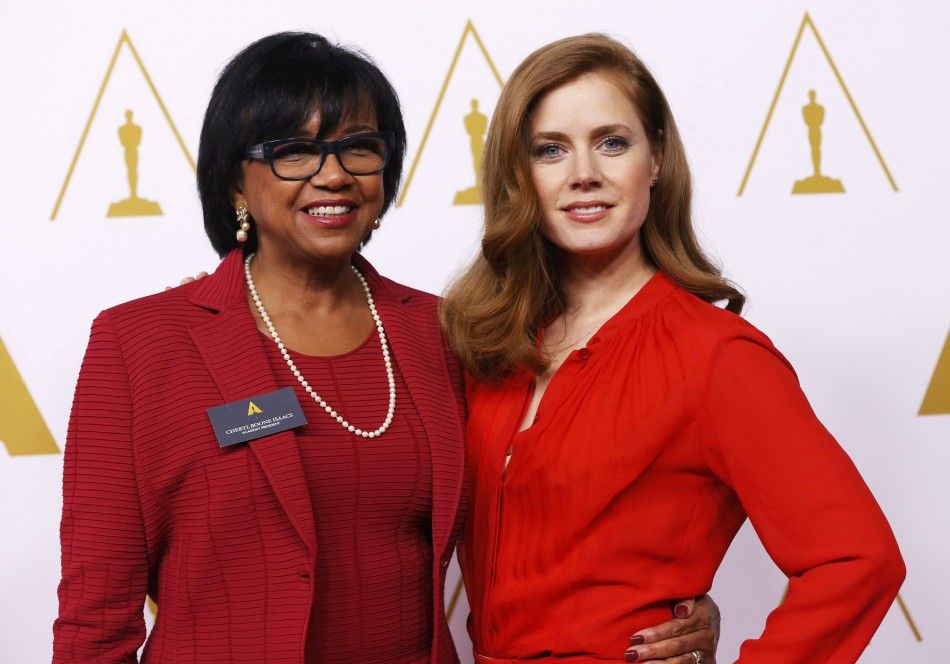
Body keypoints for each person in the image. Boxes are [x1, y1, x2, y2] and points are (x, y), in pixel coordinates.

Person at [53, 32, 717, 663]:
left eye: (359, 148)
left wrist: (673, 601)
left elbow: (549, 510)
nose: (333, 175)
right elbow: (94, 619)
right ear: (234, 183)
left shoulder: (447, 333)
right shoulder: (142, 344)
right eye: (294, 151)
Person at [440, 34, 905, 663]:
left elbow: (858, 559)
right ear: (518, 174)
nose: (584, 174)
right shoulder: (484, 343)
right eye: (550, 150)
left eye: (613, 143)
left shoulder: (716, 357)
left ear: (655, 159)